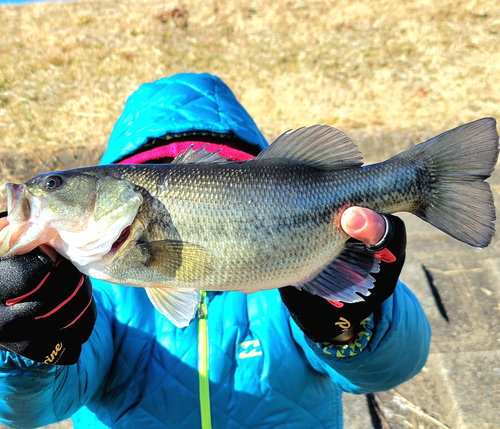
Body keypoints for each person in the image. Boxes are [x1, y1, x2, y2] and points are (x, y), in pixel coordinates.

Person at [0, 73, 431, 428]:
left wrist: (351, 323)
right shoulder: (92, 289)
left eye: (54, 185)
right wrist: (22, 344)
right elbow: (27, 411)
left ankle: (424, 180)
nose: (38, 192)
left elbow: (394, 367)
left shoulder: (118, 262)